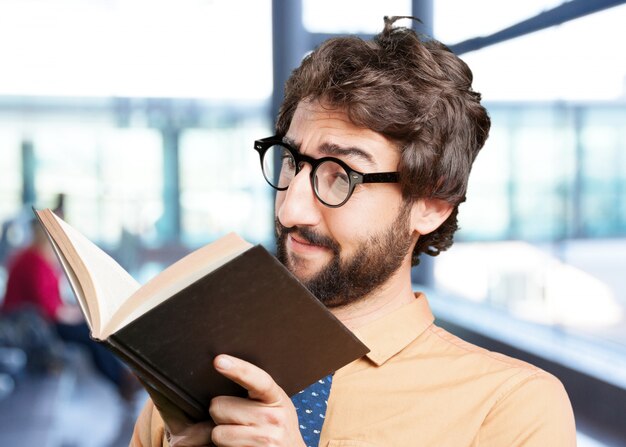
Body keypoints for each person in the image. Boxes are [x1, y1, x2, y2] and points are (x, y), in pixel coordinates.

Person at [131, 17, 576, 446]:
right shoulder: (195, 372)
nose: (290, 209)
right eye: (291, 162)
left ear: (431, 204)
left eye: (339, 174)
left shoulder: (512, 408)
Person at [1, 218, 138, 400]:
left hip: (38, 319)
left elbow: (52, 301)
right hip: (29, 324)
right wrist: (75, 314)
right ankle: (121, 379)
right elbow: (48, 308)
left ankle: (122, 378)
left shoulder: (37, 258)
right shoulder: (34, 261)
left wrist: (74, 312)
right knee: (91, 335)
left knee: (92, 330)